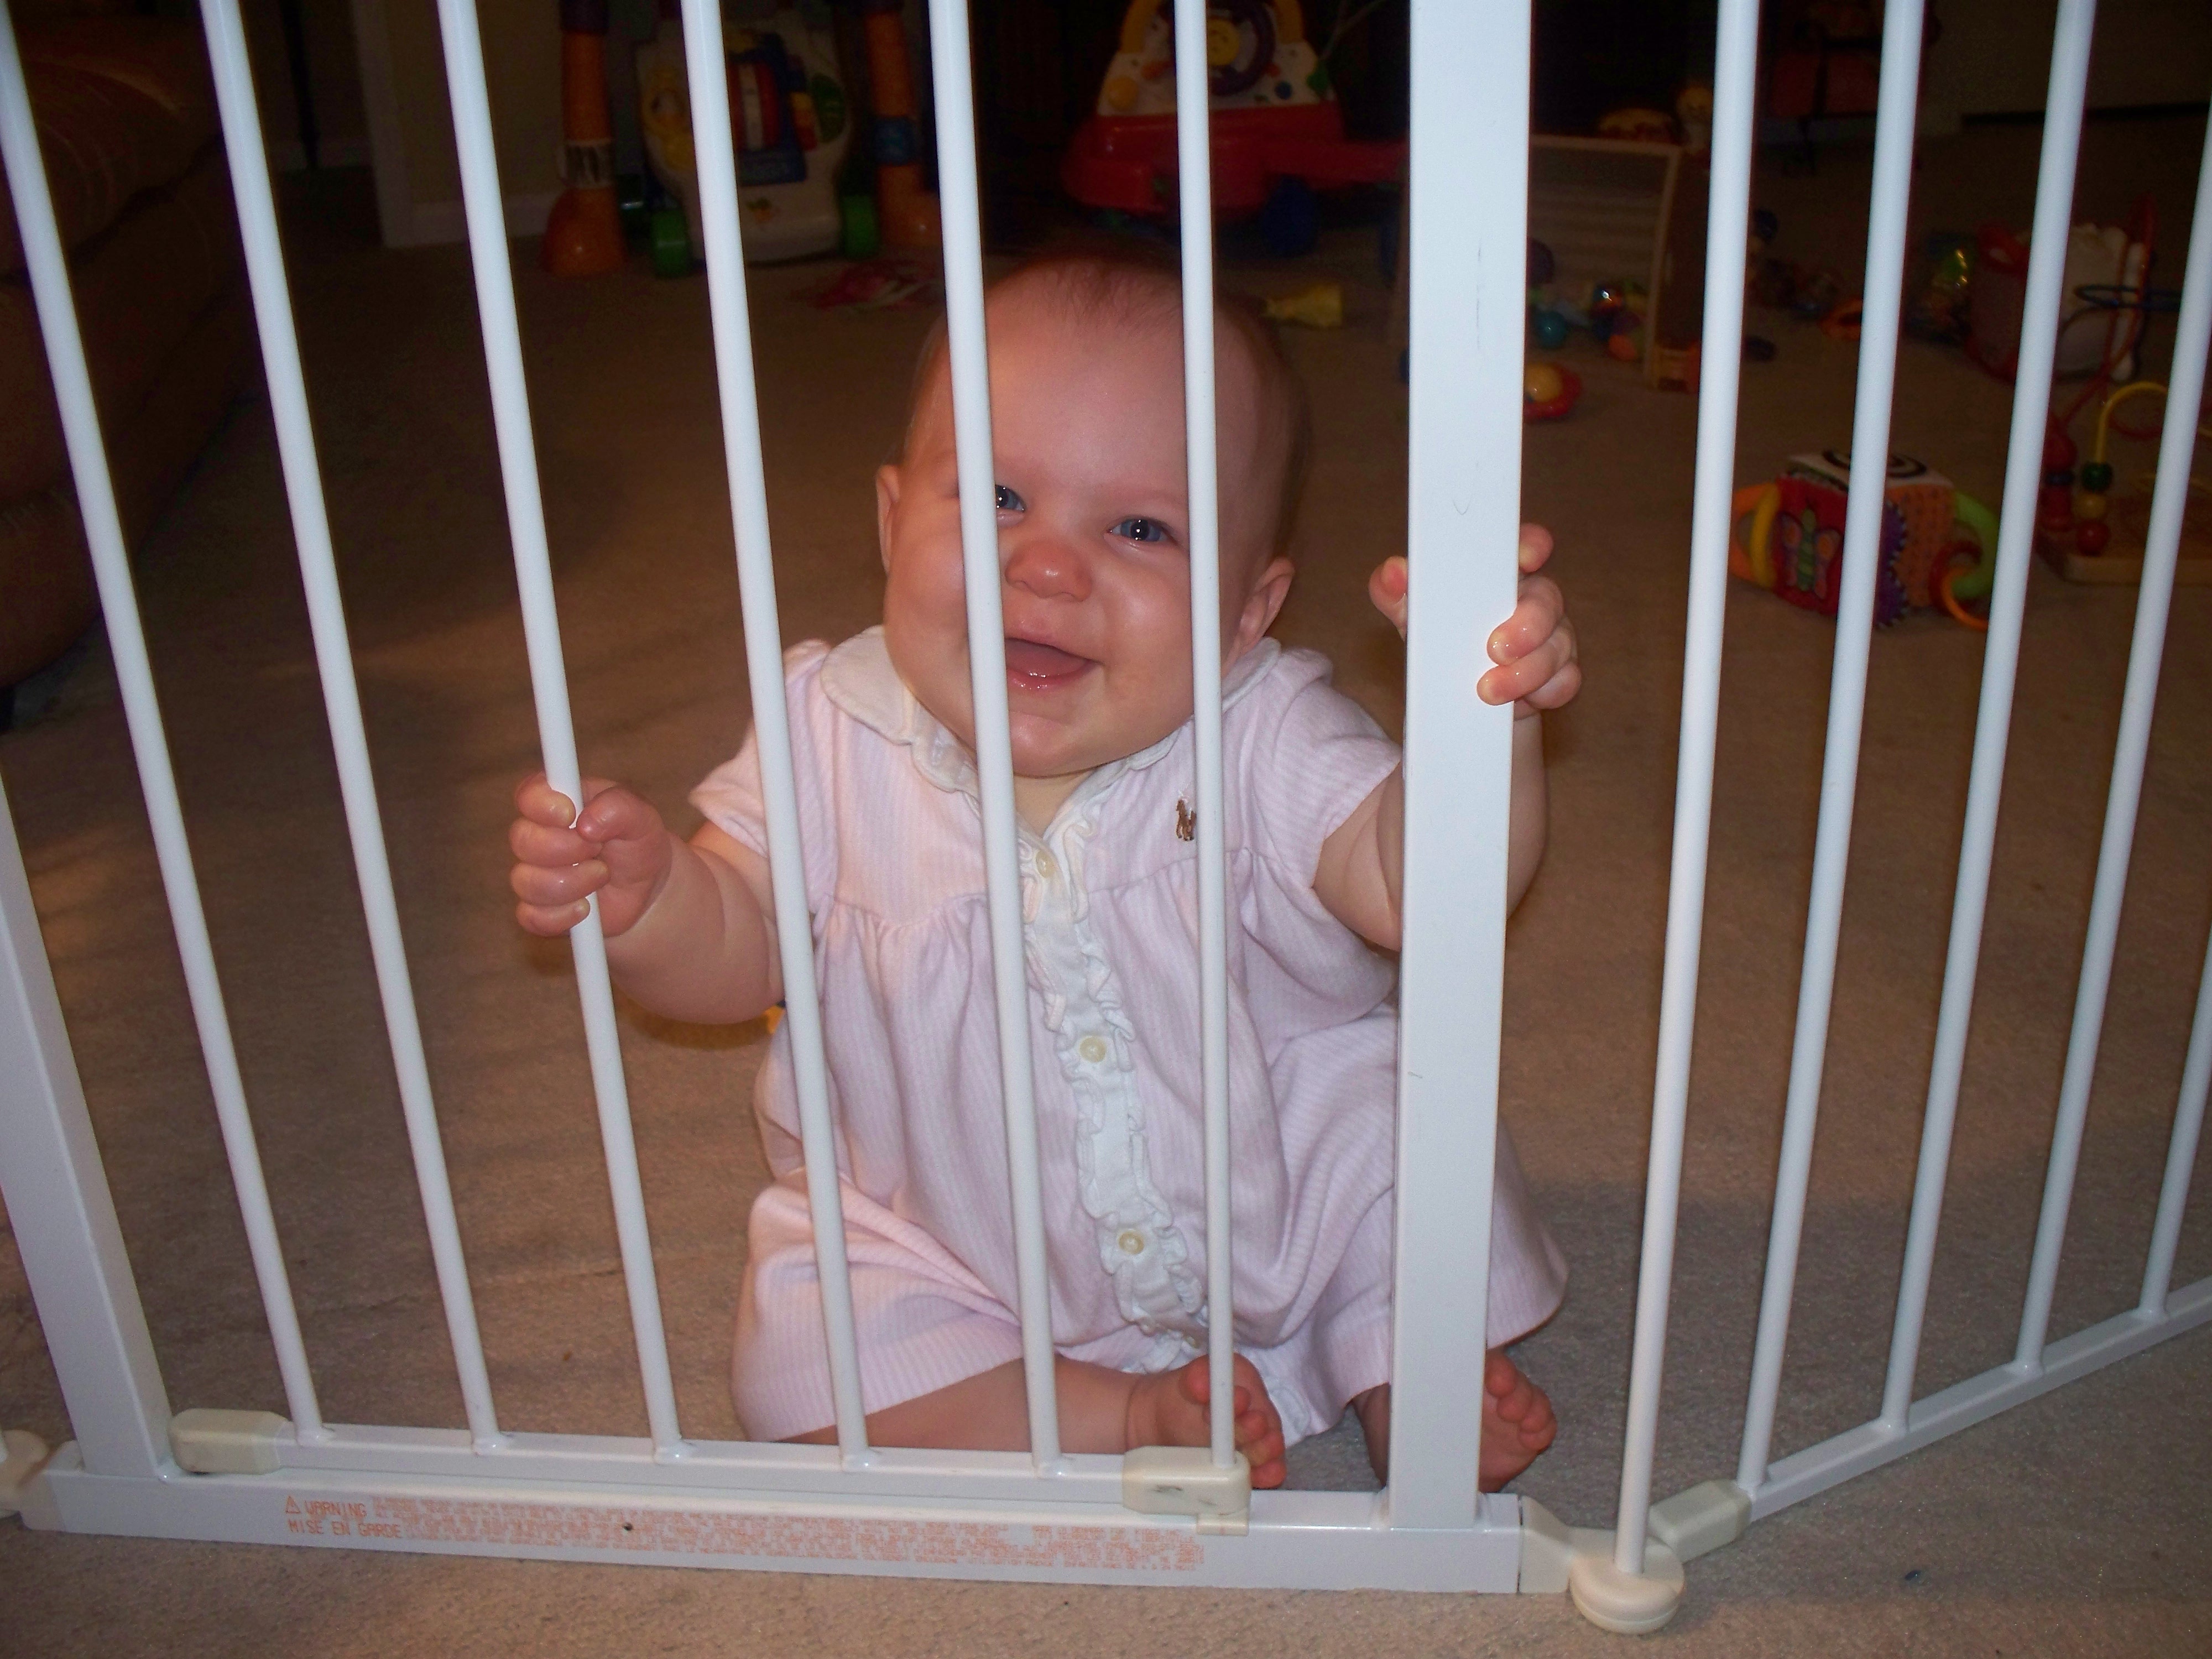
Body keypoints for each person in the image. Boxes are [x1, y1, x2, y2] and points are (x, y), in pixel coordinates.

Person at [508, 251, 1581, 1489]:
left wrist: (1482, 729)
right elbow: (739, 941)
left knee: (1404, 1131)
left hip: (1280, 1192)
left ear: (1248, 612)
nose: (1050, 567)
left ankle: (1399, 1366)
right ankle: (1111, 1415)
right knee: (807, 1358)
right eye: (999, 499)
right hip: (951, 1238)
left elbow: (1418, 896)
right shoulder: (828, 728)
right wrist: (652, 906)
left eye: (1139, 528)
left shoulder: (1264, 728)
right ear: (892, 522)